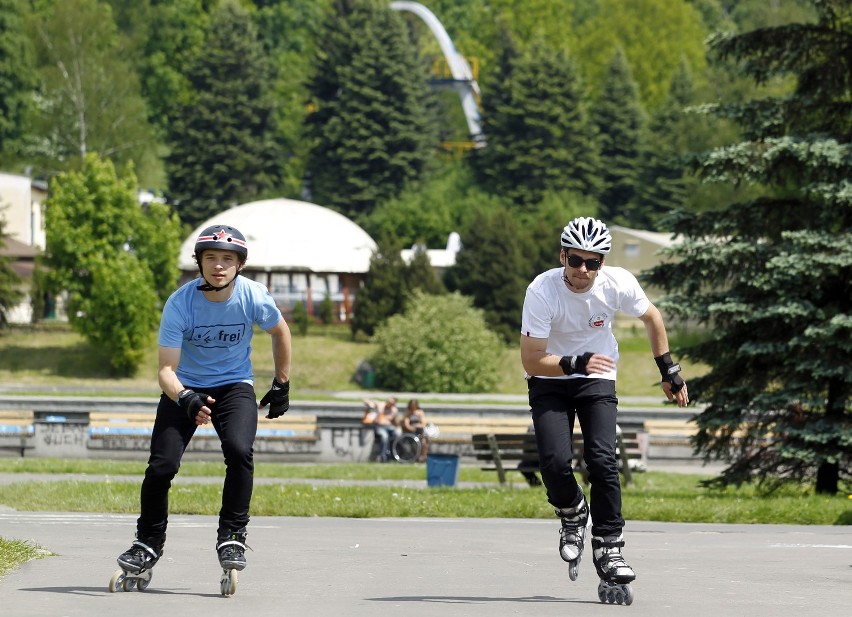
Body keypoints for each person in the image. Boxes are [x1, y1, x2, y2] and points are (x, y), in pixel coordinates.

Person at [519, 216, 688, 600]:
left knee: (602, 458)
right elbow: (532, 360)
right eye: (575, 261)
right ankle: (573, 512)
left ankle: (609, 545)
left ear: (602, 263)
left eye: (592, 263)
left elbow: (652, 317)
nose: (582, 271)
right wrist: (574, 362)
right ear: (562, 256)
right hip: (550, 379)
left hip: (597, 377)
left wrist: (668, 370)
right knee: (554, 463)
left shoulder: (618, 284)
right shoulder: (541, 291)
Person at [114, 224, 293, 582]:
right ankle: (148, 541)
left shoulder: (252, 296)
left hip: (234, 386)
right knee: (161, 466)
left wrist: (281, 384)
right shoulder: (180, 303)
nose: (219, 266)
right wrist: (185, 397)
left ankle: (232, 536)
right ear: (199, 262)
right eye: (211, 258)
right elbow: (165, 369)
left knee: (240, 450)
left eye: (228, 259)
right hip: (185, 386)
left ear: (239, 265)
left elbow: (280, 331)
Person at [372, 396, 399, 462]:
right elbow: (371, 402)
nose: (389, 404)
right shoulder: (381, 405)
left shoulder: (394, 410)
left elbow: (395, 421)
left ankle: (393, 454)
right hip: (379, 426)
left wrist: (399, 427)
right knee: (385, 437)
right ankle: (383, 457)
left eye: (392, 403)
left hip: (389, 427)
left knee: (398, 434)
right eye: (389, 402)